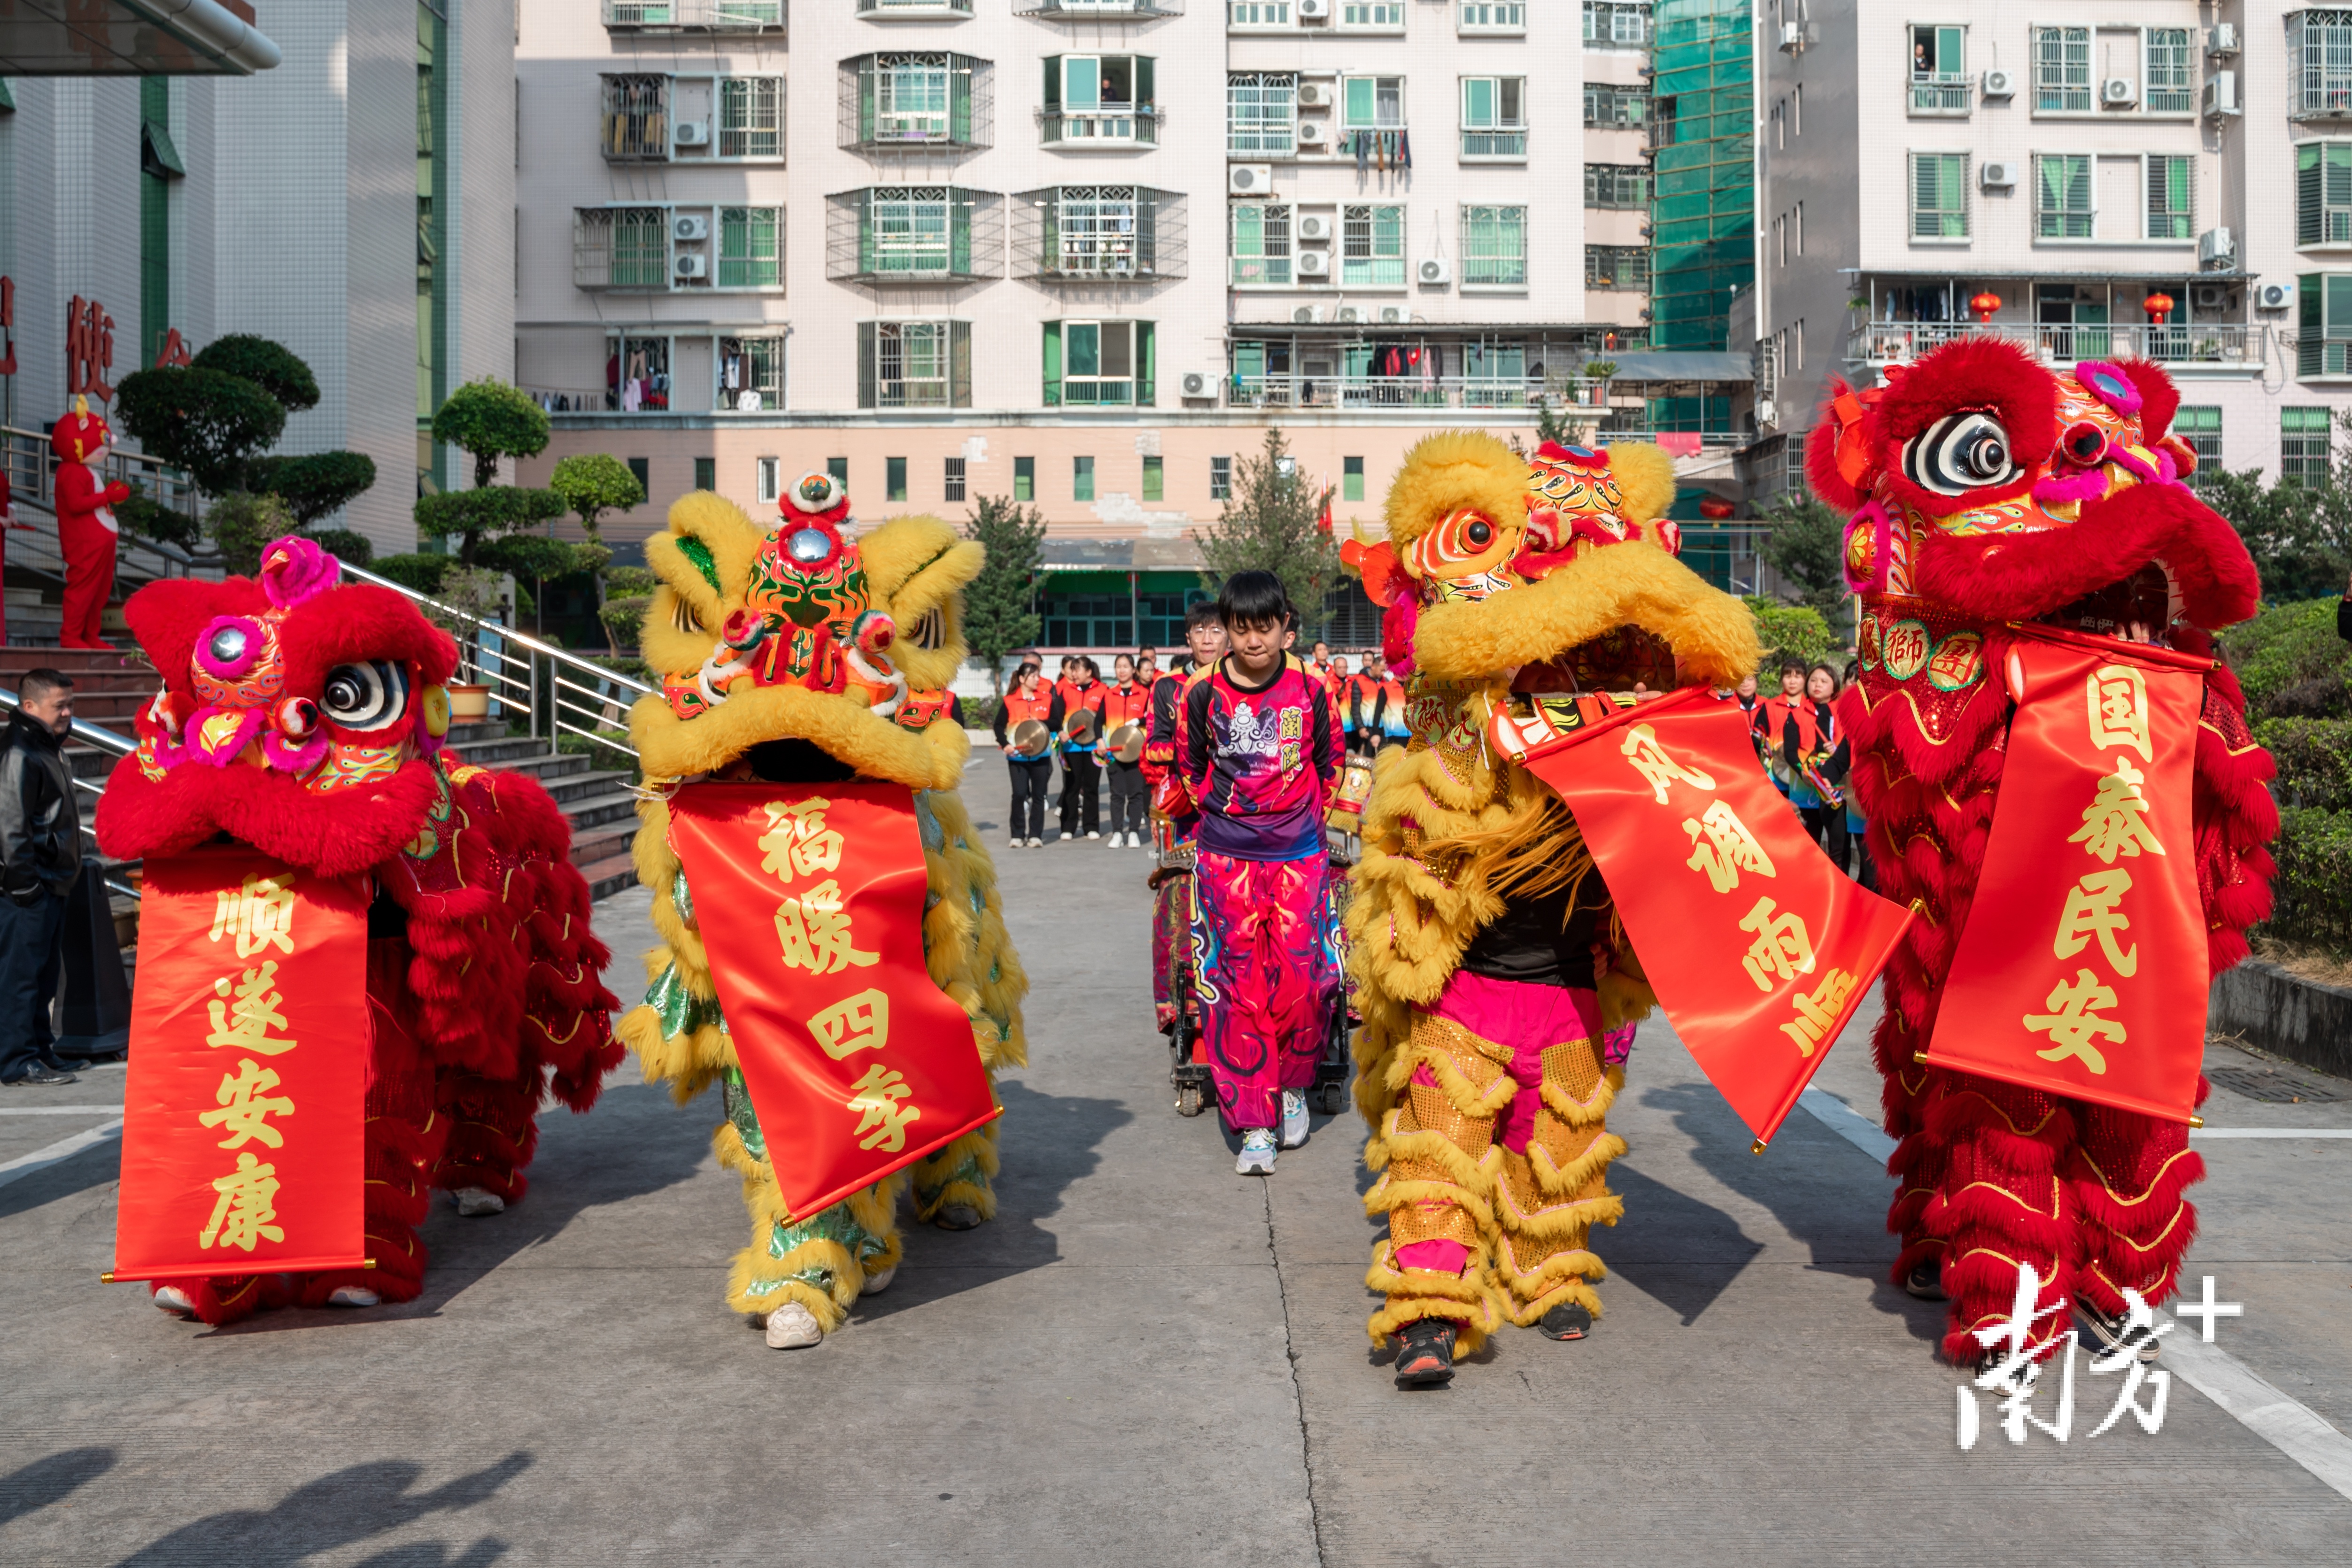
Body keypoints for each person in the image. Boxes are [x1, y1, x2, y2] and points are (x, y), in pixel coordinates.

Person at [1180, 572, 1344, 1176]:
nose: (1252, 641)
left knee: (1306, 981)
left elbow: (1330, 763)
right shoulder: (1202, 691)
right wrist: (1229, 822)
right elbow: (1189, 768)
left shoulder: (1313, 686)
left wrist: (1297, 822)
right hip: (1226, 858)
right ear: (1226, 631)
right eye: (1240, 628)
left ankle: (1293, 1086)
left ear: (1285, 628)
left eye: (1264, 627)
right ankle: (1254, 1122)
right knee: (1237, 988)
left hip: (1299, 855)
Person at [1, 670, 86, 1086]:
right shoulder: (19, 750)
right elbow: (10, 825)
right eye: (60, 706)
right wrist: (25, 886)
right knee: (20, 977)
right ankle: (16, 1061)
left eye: (71, 705)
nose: (68, 713)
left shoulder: (46, 746)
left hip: (51, 883)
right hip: (28, 889)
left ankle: (39, 1051)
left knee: (42, 975)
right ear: (30, 707)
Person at [51, 399, 130, 651]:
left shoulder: (84, 471)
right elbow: (76, 504)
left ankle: (89, 634)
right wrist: (108, 496)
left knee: (98, 591)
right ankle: (72, 635)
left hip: (99, 542)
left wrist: (109, 495)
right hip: (85, 544)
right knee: (83, 589)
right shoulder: (71, 472)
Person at [995, 662, 1061, 848]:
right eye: (1033, 676)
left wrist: (1041, 723)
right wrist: (1005, 744)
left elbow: (1057, 722)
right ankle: (1017, 834)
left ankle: (1035, 835)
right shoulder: (1010, 701)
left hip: (1041, 755)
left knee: (1039, 796)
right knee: (1019, 794)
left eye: (1038, 676)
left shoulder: (1046, 699)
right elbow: (998, 725)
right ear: (1022, 679)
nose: (1037, 679)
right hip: (1017, 756)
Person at [1101, 652, 1153, 848]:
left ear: (1134, 670)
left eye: (1125, 666)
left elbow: (1151, 717)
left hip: (1136, 752)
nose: (1121, 670)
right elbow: (1099, 721)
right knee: (1116, 794)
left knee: (1136, 793)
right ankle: (1117, 833)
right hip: (1114, 752)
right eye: (1118, 667)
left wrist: (1138, 721)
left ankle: (1133, 832)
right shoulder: (1109, 694)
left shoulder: (1145, 694)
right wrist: (1100, 741)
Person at [1058, 655, 1109, 841]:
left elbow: (1105, 718)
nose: (1073, 673)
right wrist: (1059, 733)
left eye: (1077, 669)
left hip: (1094, 748)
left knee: (1092, 787)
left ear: (1088, 672)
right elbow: (1056, 716)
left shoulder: (1103, 690)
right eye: (1072, 670)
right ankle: (1068, 826)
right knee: (1071, 786)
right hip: (1071, 747)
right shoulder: (1065, 690)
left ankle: (1091, 826)